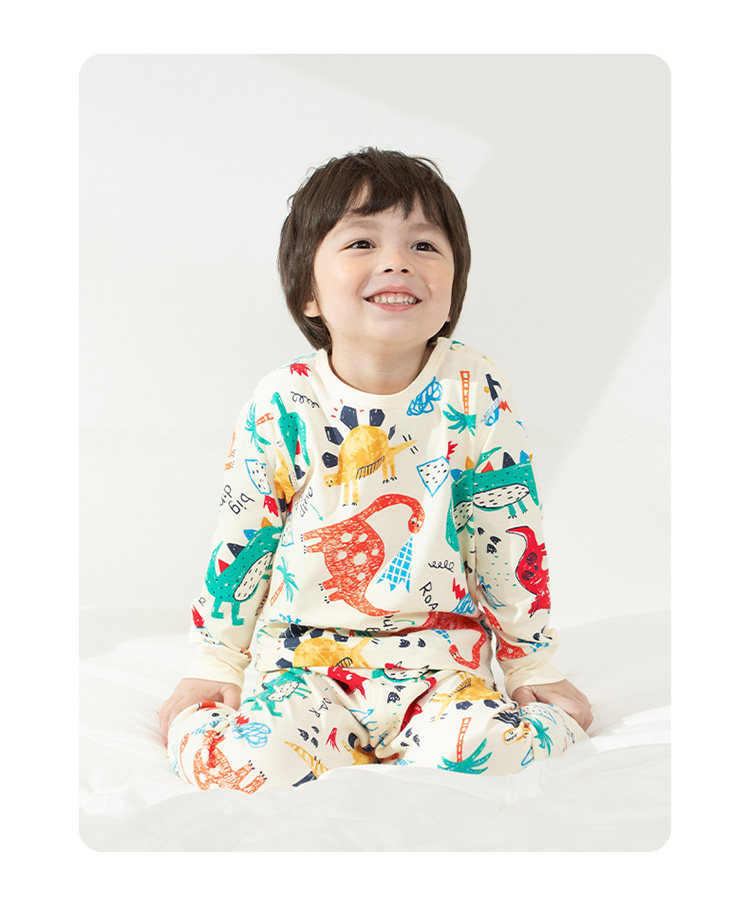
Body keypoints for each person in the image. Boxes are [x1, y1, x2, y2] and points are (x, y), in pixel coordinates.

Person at [158, 147, 593, 794]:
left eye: (424, 246)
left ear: (452, 293)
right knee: (247, 769)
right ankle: (233, 734)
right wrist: (217, 662)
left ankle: (436, 745)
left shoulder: (473, 390)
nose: (397, 261)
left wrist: (532, 666)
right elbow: (244, 537)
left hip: (442, 670)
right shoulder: (286, 401)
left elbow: (506, 534)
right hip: (304, 666)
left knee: (496, 752)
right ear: (309, 293)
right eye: (362, 242)